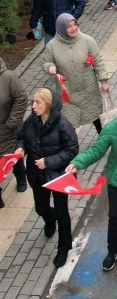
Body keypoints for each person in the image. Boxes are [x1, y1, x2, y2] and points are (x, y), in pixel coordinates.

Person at [66, 92, 117, 271]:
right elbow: (96, 151)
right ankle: (113, 251)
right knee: (116, 217)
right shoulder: (111, 128)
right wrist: (76, 163)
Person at [15, 88, 79, 267]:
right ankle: (49, 220)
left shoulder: (63, 124)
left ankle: (64, 247)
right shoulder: (31, 120)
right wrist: (21, 148)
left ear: (48, 104)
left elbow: (72, 149)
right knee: (41, 208)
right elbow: (22, 136)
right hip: (38, 175)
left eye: (37, 102)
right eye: (33, 102)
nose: (33, 106)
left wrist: (49, 162)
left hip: (59, 175)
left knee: (62, 213)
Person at [43, 14, 109, 132]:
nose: (73, 28)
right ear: (61, 28)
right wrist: (50, 67)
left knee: (98, 120)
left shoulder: (87, 40)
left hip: (89, 90)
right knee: (68, 126)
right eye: (69, 26)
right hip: (67, 94)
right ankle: (72, 149)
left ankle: (104, 144)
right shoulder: (51, 46)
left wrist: (103, 80)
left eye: (75, 25)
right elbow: (46, 62)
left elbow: (98, 61)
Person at [0, 57, 28, 205]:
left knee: (14, 158)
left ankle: (20, 177)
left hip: (9, 130)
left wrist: (11, 123)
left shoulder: (8, 77)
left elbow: (21, 98)